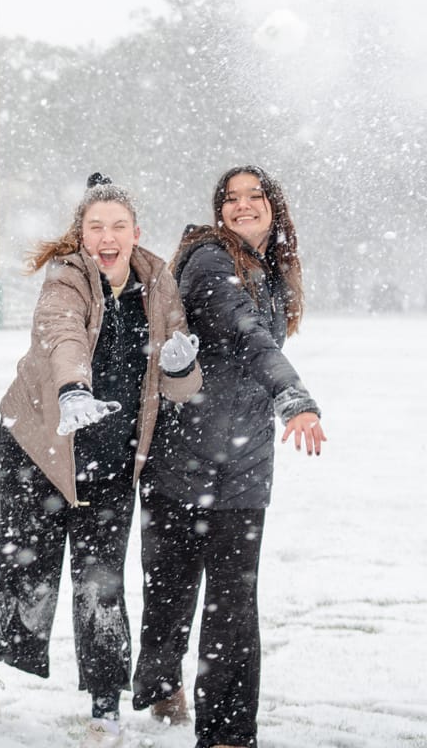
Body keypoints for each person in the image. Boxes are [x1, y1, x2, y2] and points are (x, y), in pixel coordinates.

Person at [0, 175, 204, 748]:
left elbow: (179, 383)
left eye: (118, 227)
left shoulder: (159, 284)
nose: (107, 237)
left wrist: (184, 367)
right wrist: (72, 392)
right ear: (81, 235)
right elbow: (63, 335)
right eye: (96, 228)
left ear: (135, 234)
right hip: (40, 447)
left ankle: (104, 710)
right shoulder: (66, 278)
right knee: (25, 575)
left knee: (101, 585)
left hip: (113, 460)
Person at [131, 165, 326, 748]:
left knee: (233, 605)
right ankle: (162, 679)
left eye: (255, 196)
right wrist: (293, 394)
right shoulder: (214, 260)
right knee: (170, 590)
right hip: (182, 457)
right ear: (220, 210)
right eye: (232, 198)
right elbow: (248, 333)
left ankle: (227, 734)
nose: (244, 206)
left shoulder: (273, 271)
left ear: (274, 206)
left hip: (243, 462)